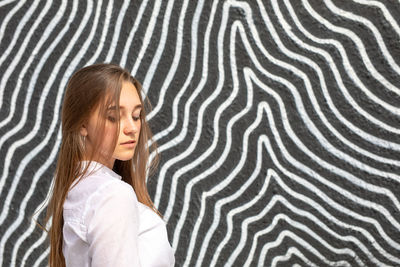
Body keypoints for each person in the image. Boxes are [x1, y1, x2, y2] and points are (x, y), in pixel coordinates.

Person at [43, 63, 175, 266]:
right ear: (82, 124)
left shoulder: (78, 190)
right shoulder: (113, 195)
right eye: (113, 117)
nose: (132, 128)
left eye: (136, 116)